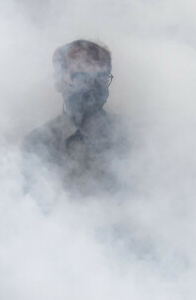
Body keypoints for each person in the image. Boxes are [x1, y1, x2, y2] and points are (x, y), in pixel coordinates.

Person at [23, 40, 127, 195]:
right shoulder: (37, 144)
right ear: (58, 82)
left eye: (100, 78)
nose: (91, 87)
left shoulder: (128, 139)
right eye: (79, 77)